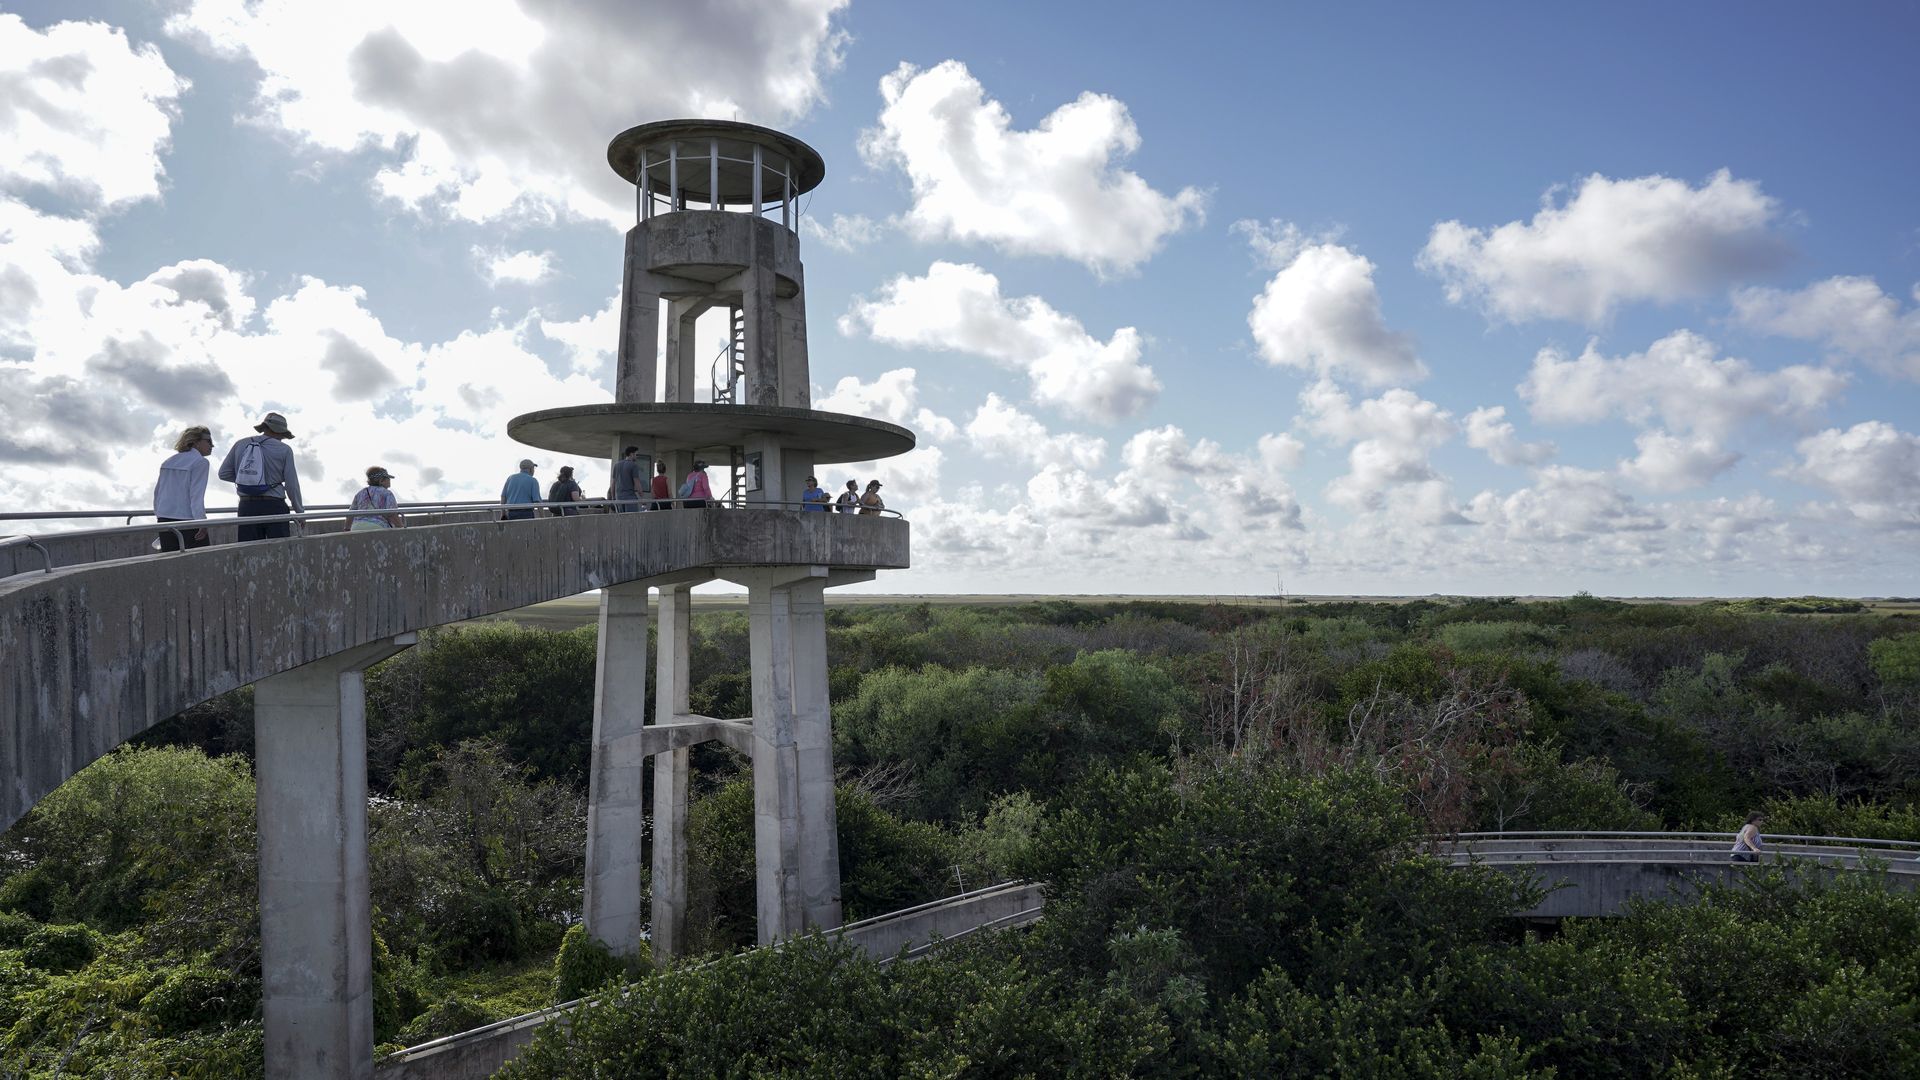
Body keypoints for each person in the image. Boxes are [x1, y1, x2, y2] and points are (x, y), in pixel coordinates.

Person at [218, 411, 304, 542]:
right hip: (274, 505)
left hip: (246, 506)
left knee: (249, 552)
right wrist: (300, 512)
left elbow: (223, 474)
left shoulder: (240, 444)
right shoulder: (284, 449)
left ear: (264, 427)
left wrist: (248, 479)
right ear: (280, 432)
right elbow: (292, 485)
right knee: (279, 551)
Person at [154, 425, 214, 551]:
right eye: (208, 441)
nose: (212, 445)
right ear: (196, 442)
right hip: (188, 521)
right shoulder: (200, 462)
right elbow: (196, 496)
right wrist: (202, 523)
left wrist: (159, 516)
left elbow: (157, 493)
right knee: (200, 563)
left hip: (164, 519)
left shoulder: (168, 461)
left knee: (170, 564)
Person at [349, 466, 403, 531]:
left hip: (356, 528)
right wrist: (402, 529)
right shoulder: (387, 494)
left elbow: (350, 514)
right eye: (388, 478)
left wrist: (346, 529)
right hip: (377, 527)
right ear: (381, 480)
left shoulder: (360, 493)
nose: (389, 480)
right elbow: (393, 515)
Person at [611, 446, 643, 513]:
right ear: (632, 454)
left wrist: (613, 497)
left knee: (622, 520)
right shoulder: (633, 465)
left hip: (619, 497)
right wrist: (642, 497)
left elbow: (613, 483)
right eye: (636, 454)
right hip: (630, 498)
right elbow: (637, 483)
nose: (637, 457)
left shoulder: (616, 465)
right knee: (631, 520)